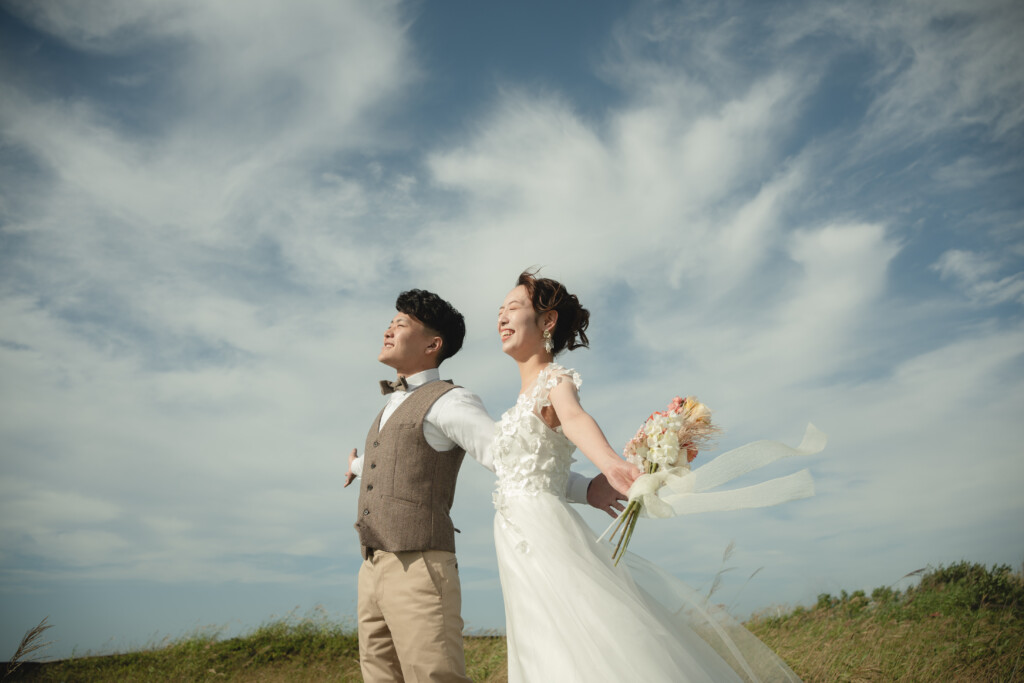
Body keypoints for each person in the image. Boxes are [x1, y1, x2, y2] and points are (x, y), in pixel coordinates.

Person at [492, 270, 808, 682]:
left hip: (541, 532)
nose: (501, 318)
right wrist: (589, 488)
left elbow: (574, 418)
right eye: (499, 311)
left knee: (576, 637)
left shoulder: (555, 381)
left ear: (547, 321)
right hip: (516, 535)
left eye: (513, 308)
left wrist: (610, 463)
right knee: (540, 639)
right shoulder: (520, 398)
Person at [344, 288, 626, 683]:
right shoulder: (387, 406)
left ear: (433, 344)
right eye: (391, 322)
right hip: (372, 566)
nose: (389, 330)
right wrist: (359, 466)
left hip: (420, 564)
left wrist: (587, 487)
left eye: (401, 324)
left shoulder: (450, 402)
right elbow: (396, 466)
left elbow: (514, 461)